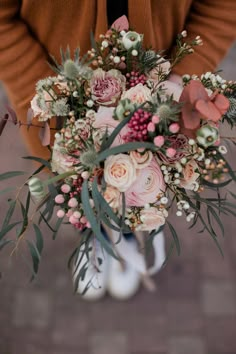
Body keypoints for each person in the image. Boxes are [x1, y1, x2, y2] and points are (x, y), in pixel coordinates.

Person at [0, 0, 236, 300]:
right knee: (77, 188)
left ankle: (127, 233)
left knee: (141, 186)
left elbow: (222, 6)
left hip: (159, 100)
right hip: (58, 111)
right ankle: (93, 235)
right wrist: (46, 97)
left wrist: (178, 81)